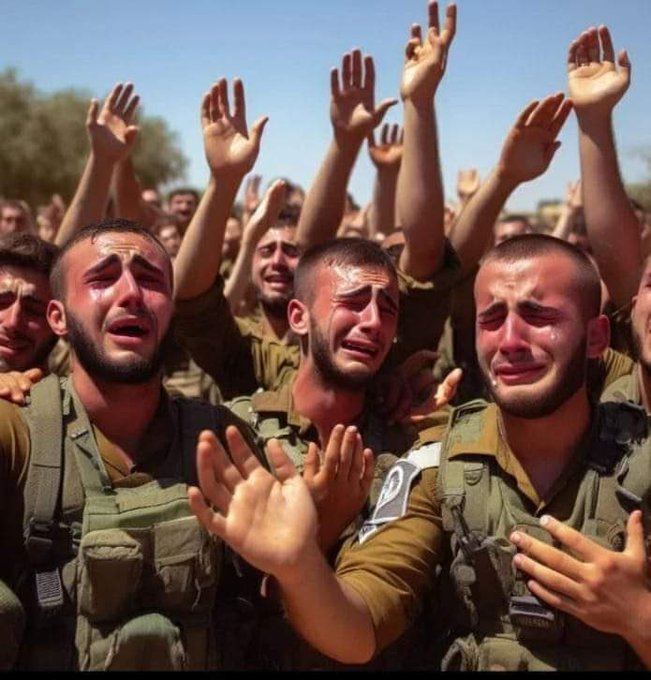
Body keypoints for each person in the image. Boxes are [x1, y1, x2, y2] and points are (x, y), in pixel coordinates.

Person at [189, 234, 651, 671]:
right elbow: (362, 623)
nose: (510, 340)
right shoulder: (436, 459)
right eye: (491, 319)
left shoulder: (639, 456)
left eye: (538, 316)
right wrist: (299, 564)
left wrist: (639, 616)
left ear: (596, 338)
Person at [0, 219, 267, 670]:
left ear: (172, 311)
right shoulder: (17, 430)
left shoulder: (225, 442)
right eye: (103, 278)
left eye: (150, 280)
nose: (131, 294)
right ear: (57, 318)